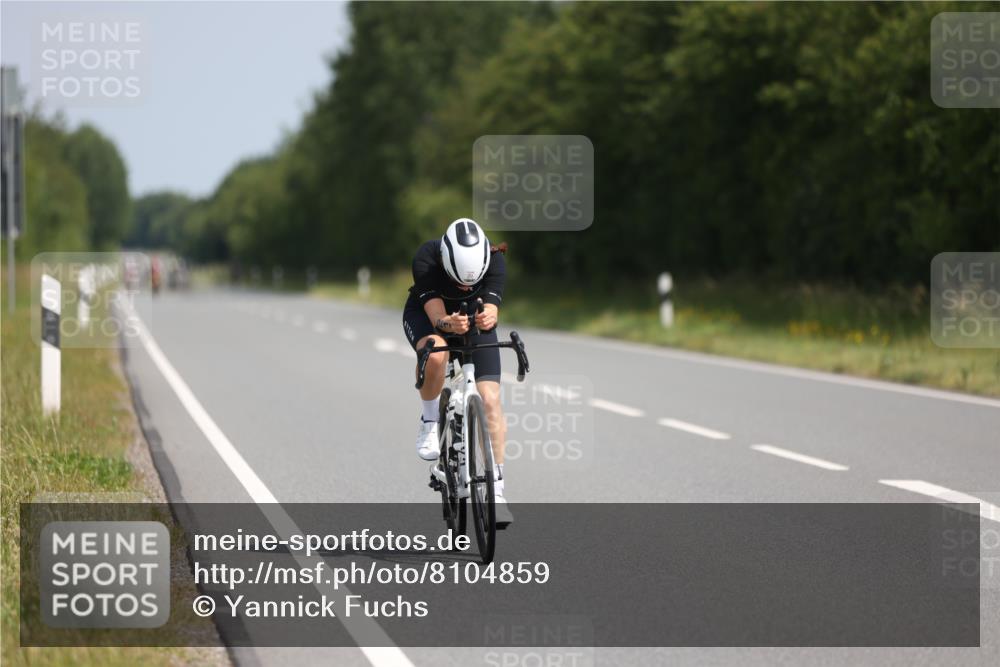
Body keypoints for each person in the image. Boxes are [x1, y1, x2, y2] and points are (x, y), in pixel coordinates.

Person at [402, 218, 513, 526]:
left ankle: (498, 489)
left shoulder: (495, 260)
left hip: (472, 320)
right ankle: (429, 420)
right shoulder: (426, 258)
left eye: (471, 282)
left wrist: (489, 314)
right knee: (437, 353)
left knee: (490, 399)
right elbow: (437, 316)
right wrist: (448, 323)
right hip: (430, 318)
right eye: (459, 280)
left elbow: (491, 308)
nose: (465, 287)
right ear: (446, 260)